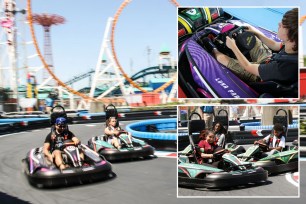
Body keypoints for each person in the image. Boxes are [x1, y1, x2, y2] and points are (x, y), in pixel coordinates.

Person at [204, 8, 298, 85]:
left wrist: (233, 47)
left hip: (258, 75)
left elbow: (248, 67)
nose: (279, 24)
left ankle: (213, 49)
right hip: (268, 60)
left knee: (221, 58)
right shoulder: (293, 45)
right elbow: (274, 45)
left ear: (291, 37)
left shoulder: (281, 69)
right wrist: (255, 32)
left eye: (283, 25)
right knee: (251, 37)